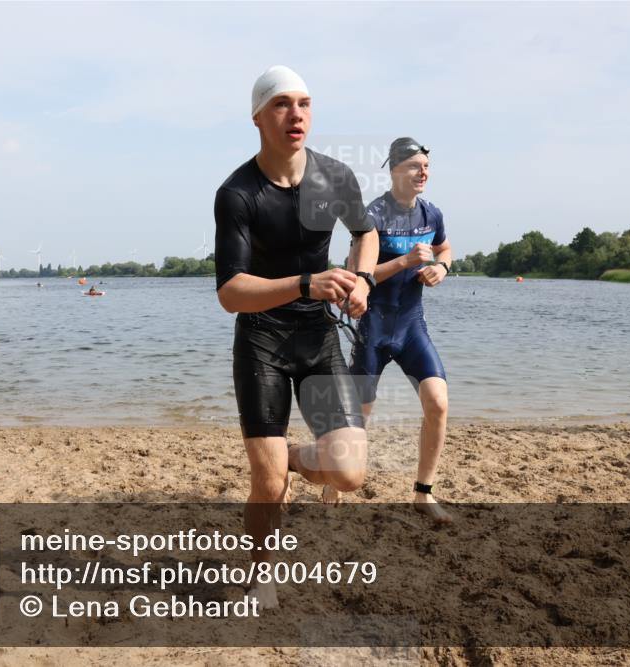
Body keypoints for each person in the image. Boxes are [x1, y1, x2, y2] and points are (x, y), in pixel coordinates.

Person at [213, 65, 379, 608]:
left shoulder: (334, 178)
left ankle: (293, 458)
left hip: (317, 336)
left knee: (350, 473)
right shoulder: (238, 193)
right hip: (261, 340)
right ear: (258, 116)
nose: (297, 114)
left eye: (305, 103)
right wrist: (308, 281)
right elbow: (232, 291)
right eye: (283, 104)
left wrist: (363, 280)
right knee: (265, 484)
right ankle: (261, 572)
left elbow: (366, 233)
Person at [345, 137, 453, 525]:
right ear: (394, 170)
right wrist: (406, 261)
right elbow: (358, 273)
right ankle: (336, 481)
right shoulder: (371, 215)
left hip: (411, 325)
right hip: (373, 326)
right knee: (361, 415)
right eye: (414, 165)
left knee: (438, 403)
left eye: (426, 166)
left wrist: (441, 269)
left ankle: (423, 492)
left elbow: (445, 249)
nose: (423, 172)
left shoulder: (431, 213)